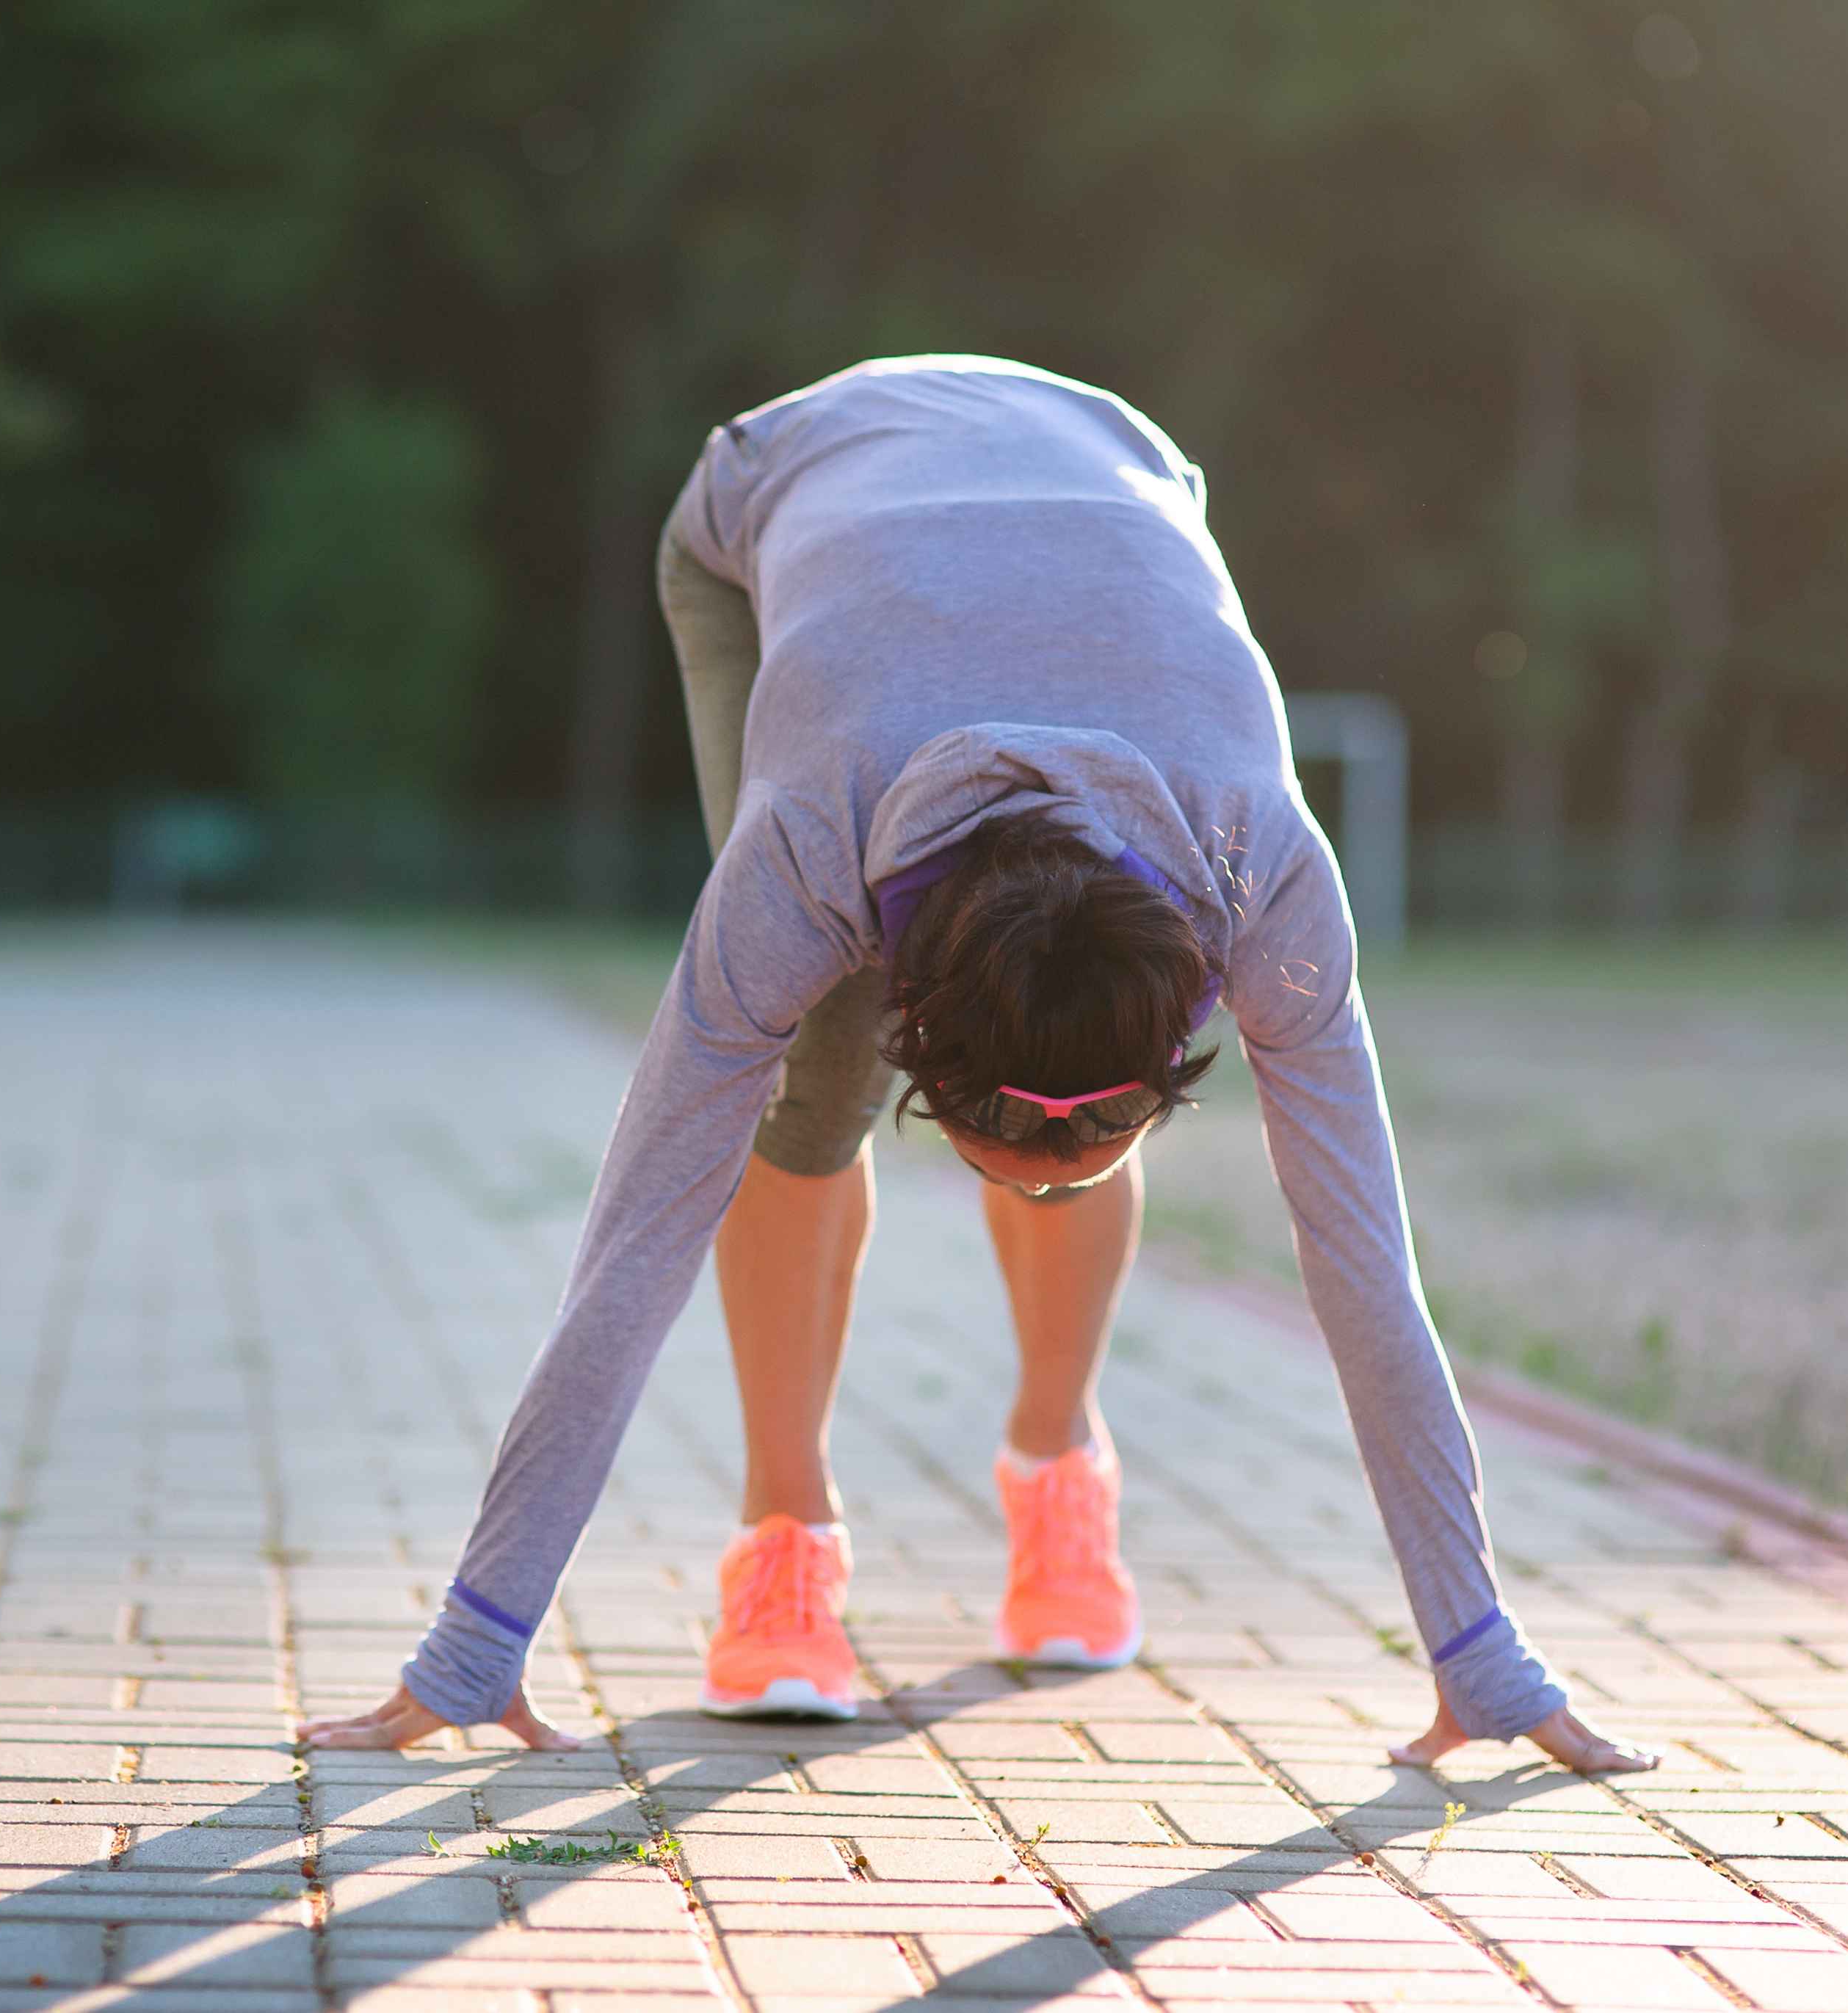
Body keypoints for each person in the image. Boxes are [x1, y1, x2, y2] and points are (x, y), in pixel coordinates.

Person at [302, 356, 1656, 1776]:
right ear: (927, 1061)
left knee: (1039, 1068)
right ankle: (784, 1534)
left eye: (1099, 1140)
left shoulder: (1261, 861)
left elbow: (1364, 1263)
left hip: (1114, 461)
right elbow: (635, 1241)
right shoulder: (808, 844)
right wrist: (476, 1640)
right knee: (801, 1086)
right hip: (776, 488)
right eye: (1017, 1154)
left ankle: (1058, 1464)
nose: (1063, 1170)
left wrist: (1478, 1655)